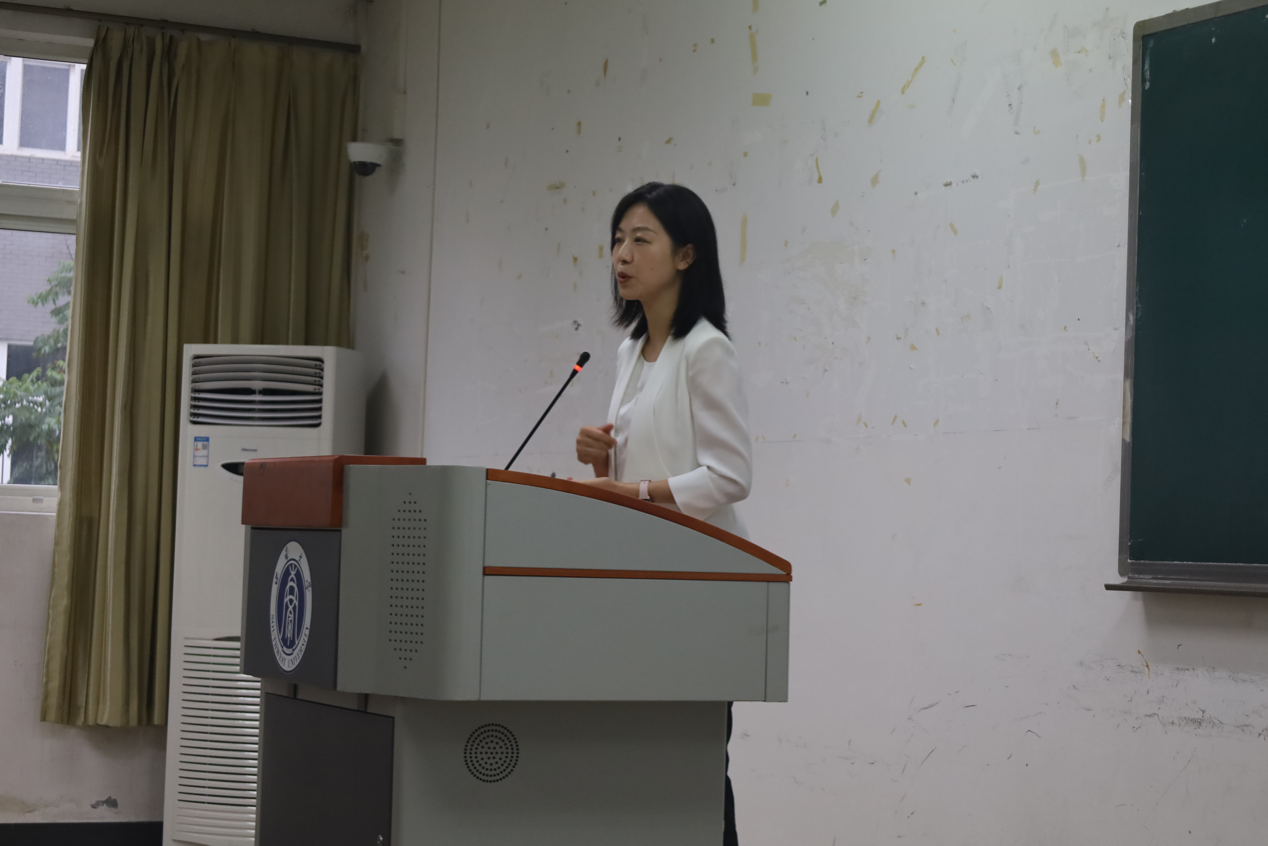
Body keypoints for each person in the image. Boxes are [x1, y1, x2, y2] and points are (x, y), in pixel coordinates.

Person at [573, 181, 751, 846]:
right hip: (639, 588)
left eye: (640, 240)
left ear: (685, 255)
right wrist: (601, 461)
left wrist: (638, 492)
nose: (621, 255)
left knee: (693, 769)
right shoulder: (629, 352)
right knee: (638, 769)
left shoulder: (705, 349)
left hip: (699, 591)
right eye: (617, 240)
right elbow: (631, 474)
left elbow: (731, 476)